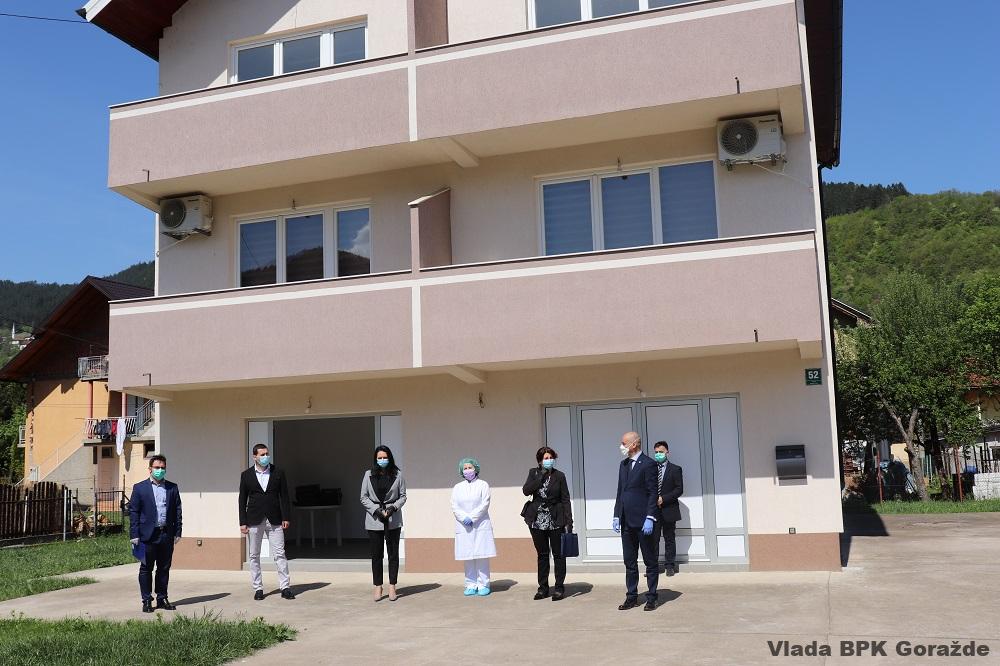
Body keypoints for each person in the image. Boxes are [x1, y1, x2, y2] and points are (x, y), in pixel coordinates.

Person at [238, 444, 295, 600]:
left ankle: (285, 587)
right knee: (254, 555)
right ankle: (258, 588)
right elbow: (242, 499)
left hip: (275, 519)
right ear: (254, 457)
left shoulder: (278, 472)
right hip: (254, 519)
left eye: (267, 454)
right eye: (262, 454)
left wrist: (286, 517)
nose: (265, 457)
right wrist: (242, 521)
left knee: (280, 553)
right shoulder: (246, 475)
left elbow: (284, 496)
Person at [613, 431, 659, 611]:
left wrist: (650, 517)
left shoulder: (648, 464)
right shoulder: (623, 464)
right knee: (630, 562)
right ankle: (631, 596)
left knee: (650, 561)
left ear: (634, 444)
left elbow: (653, 492)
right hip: (626, 521)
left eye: (623, 443)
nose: (621, 446)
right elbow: (620, 491)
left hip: (643, 521)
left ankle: (652, 597)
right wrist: (617, 515)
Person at [129, 455, 182, 613]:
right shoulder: (140, 488)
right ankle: (146, 600)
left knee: (164, 568)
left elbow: (177, 510)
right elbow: (134, 512)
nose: (160, 470)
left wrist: (178, 531)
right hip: (146, 535)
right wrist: (134, 534)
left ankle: (162, 598)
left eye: (162, 468)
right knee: (146, 568)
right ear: (150, 469)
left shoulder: (172, 488)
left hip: (166, 534)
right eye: (157, 467)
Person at [521, 446, 573, 601]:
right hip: (537, 520)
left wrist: (569, 521)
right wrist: (540, 477)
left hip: (555, 519)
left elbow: (565, 499)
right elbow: (526, 491)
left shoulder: (560, 476)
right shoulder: (533, 473)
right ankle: (543, 588)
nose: (549, 460)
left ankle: (559, 588)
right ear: (540, 461)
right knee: (542, 555)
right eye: (546, 458)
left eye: (551, 458)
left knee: (558, 555)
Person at [360, 445, 407, 602]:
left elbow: (403, 496)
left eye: (384, 457)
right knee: (376, 555)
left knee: (393, 554)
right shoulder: (368, 474)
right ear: (375, 459)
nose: (382, 460)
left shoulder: (398, 474)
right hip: (374, 520)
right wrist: (376, 510)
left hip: (393, 519)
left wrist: (393, 508)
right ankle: (378, 586)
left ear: (390, 458)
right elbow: (363, 497)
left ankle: (392, 585)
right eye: (379, 458)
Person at [451, 457, 496, 596]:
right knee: (468, 556)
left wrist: (472, 517)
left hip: (480, 524)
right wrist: (463, 517)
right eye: (465, 468)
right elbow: (454, 505)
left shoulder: (483, 485)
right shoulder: (458, 487)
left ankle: (483, 584)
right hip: (464, 526)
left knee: (482, 556)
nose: (467, 470)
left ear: (476, 469)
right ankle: (470, 584)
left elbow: (485, 503)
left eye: (470, 467)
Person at [652, 440, 683, 577]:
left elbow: (679, 489)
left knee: (669, 538)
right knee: (653, 539)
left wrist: (663, 498)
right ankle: (653, 567)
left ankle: (670, 565)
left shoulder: (675, 469)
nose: (658, 454)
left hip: (669, 509)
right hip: (654, 510)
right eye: (656, 452)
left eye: (661, 452)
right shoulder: (651, 469)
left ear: (667, 452)